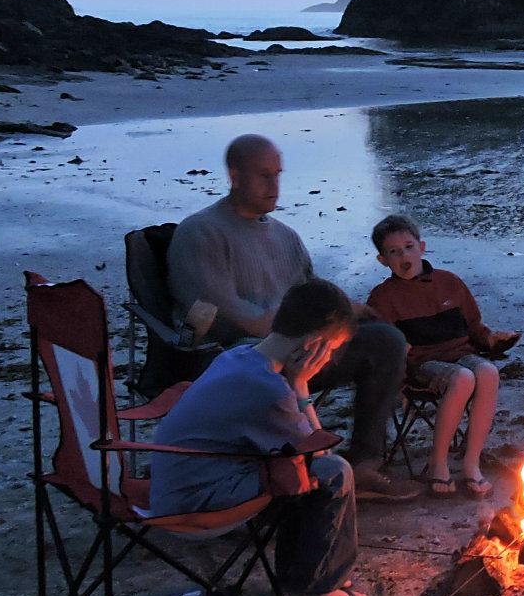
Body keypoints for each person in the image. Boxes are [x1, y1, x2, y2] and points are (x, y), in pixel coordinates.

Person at [166, 133, 418, 500]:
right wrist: (299, 338)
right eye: (263, 175)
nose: (274, 185)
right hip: (244, 359)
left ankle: (364, 463)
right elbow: (228, 314)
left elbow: (312, 294)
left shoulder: (285, 236)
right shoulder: (201, 232)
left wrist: (352, 313)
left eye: (278, 174)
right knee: (268, 350)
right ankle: (311, 465)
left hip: (302, 345)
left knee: (385, 340)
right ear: (234, 175)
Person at [149, 279, 373, 596]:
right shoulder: (268, 388)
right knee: (333, 473)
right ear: (314, 345)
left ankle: (322, 574)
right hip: (194, 501)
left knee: (300, 473)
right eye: (332, 349)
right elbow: (320, 452)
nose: (329, 359)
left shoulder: (239, 356)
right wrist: (301, 385)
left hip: (179, 485)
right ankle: (306, 593)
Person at [364, 213, 519, 497]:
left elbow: (474, 327)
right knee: (461, 378)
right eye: (393, 252)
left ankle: (471, 463)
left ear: (422, 247)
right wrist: (397, 350)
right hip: (420, 365)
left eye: (409, 247)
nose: (404, 256)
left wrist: (492, 339)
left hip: (460, 353)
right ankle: (439, 465)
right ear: (382, 260)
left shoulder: (449, 283)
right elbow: (382, 343)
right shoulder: (382, 298)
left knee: (487, 371)